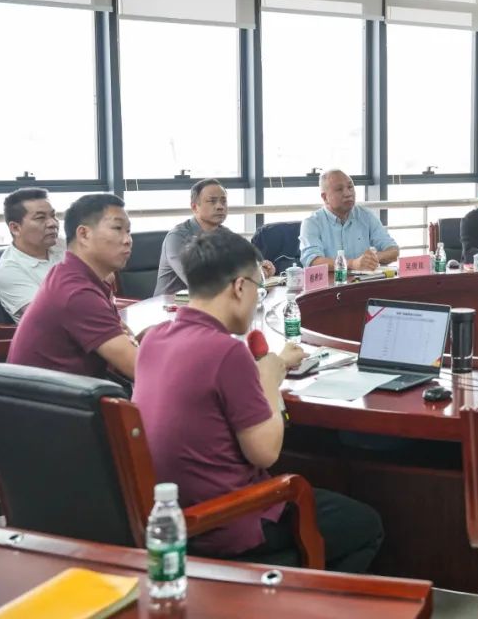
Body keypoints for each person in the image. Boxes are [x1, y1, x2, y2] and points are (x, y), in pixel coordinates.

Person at [133, 231, 383, 572]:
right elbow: (265, 453)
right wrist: (268, 379)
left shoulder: (154, 338)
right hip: (227, 521)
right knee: (366, 525)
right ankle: (297, 596)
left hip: (171, 516)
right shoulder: (227, 352)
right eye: (258, 287)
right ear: (240, 287)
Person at [8, 193, 139, 380]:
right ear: (84, 234)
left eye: (128, 231)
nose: (127, 240)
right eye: (118, 228)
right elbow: (139, 369)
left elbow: (126, 340)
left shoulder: (71, 274)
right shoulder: (76, 292)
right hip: (53, 397)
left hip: (76, 389)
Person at [155, 179, 275, 296]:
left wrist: (263, 268)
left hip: (217, 304)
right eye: (212, 201)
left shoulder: (226, 234)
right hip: (170, 306)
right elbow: (200, 282)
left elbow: (252, 261)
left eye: (223, 201)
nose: (220, 206)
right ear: (195, 207)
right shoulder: (177, 238)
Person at [300, 169, 399, 271]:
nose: (348, 193)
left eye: (350, 187)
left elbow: (393, 250)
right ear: (325, 197)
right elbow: (313, 261)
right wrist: (351, 264)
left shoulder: (366, 216)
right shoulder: (311, 223)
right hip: (332, 280)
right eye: (339, 189)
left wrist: (371, 259)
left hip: (363, 279)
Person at [0, 188, 65, 322]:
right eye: (40, 218)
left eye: (53, 215)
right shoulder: (8, 271)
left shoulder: (60, 243)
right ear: (15, 228)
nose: (53, 223)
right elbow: (50, 319)